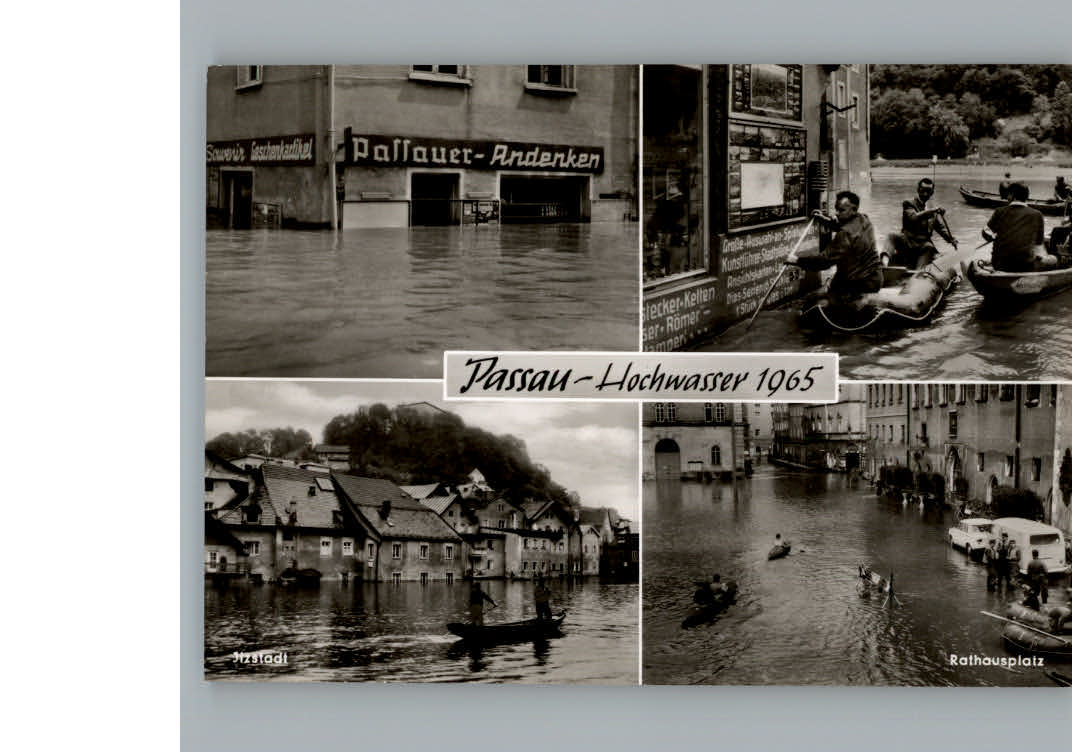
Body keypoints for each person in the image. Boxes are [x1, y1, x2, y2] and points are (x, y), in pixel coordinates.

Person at [788, 191, 884, 304]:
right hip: (875, 280)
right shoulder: (864, 219)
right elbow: (840, 225)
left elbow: (824, 261)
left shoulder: (845, 234)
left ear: (853, 210)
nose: (837, 213)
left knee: (809, 301)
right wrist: (822, 219)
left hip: (859, 284)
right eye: (836, 209)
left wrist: (797, 260)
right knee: (834, 282)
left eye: (841, 210)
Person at [983, 181, 1059, 272]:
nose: (1007, 197)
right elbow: (1038, 245)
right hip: (1026, 266)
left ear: (1012, 196)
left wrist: (992, 237)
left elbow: (985, 232)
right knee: (1055, 259)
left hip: (999, 265)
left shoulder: (999, 211)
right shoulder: (1037, 214)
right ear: (1027, 197)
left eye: (1008, 195)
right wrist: (1045, 258)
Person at [890, 178, 958, 269]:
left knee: (929, 247)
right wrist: (932, 211)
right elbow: (913, 217)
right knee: (891, 236)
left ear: (932, 193)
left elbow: (941, 229)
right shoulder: (909, 204)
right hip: (908, 243)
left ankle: (918, 273)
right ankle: (883, 263)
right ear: (918, 190)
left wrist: (952, 239)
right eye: (923, 191)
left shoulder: (933, 210)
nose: (925, 194)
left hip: (923, 246)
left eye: (928, 192)